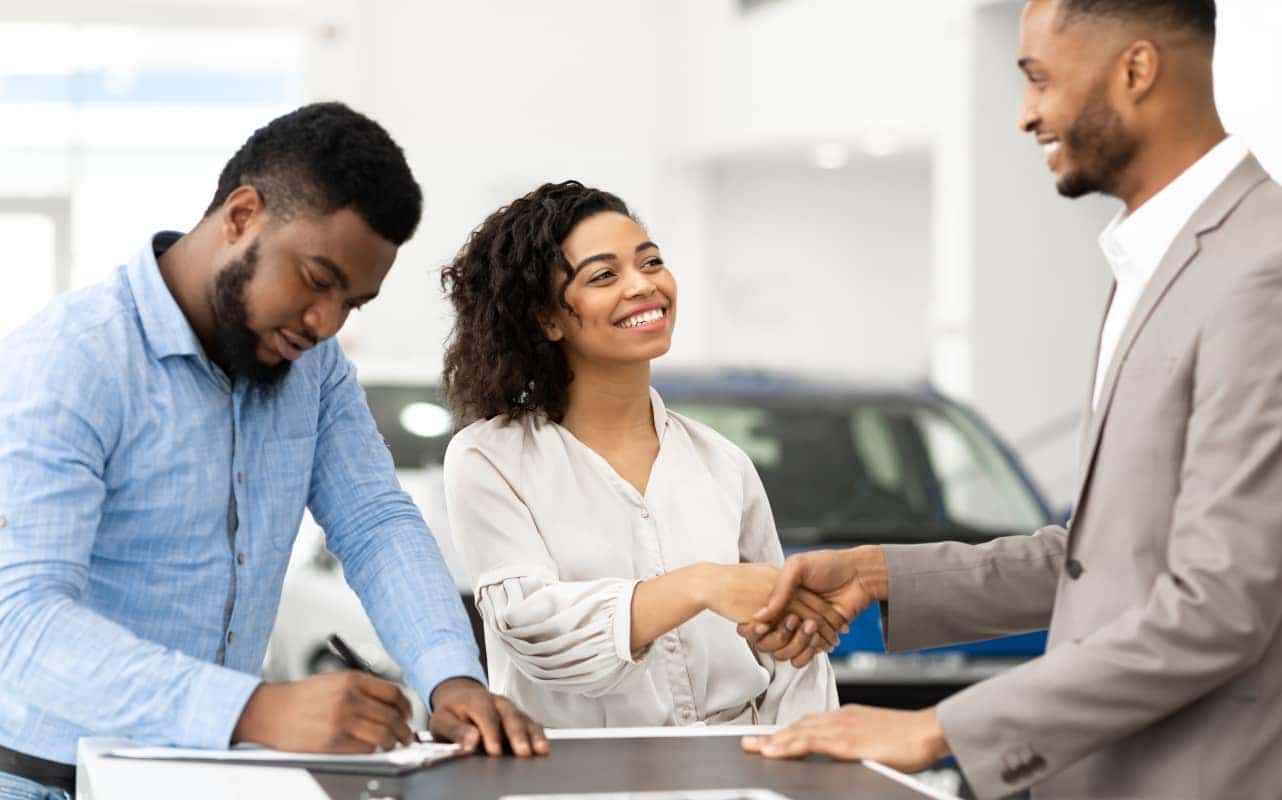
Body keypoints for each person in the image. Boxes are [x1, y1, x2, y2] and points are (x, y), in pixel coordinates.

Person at [741, 1, 1282, 797]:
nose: (1026, 115)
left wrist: (937, 728)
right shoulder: (1160, 263)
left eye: (1038, 80)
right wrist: (883, 571)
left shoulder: (1258, 273)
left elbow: (1218, 607)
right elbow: (1111, 560)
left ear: (1136, 70)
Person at [0, 102, 547, 800]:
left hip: (204, 778)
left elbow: (376, 523)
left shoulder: (312, 369)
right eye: (318, 280)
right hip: (44, 782)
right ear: (241, 215)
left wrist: (450, 675)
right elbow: (19, 620)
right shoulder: (70, 361)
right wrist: (253, 710)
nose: (326, 323)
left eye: (353, 303)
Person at [440, 181, 842, 729]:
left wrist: (805, 767)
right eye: (604, 275)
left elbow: (794, 661)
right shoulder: (489, 460)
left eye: (650, 262)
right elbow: (535, 632)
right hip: (580, 782)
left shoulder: (722, 463)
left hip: (738, 772)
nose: (643, 285)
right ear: (547, 318)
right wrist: (703, 585)